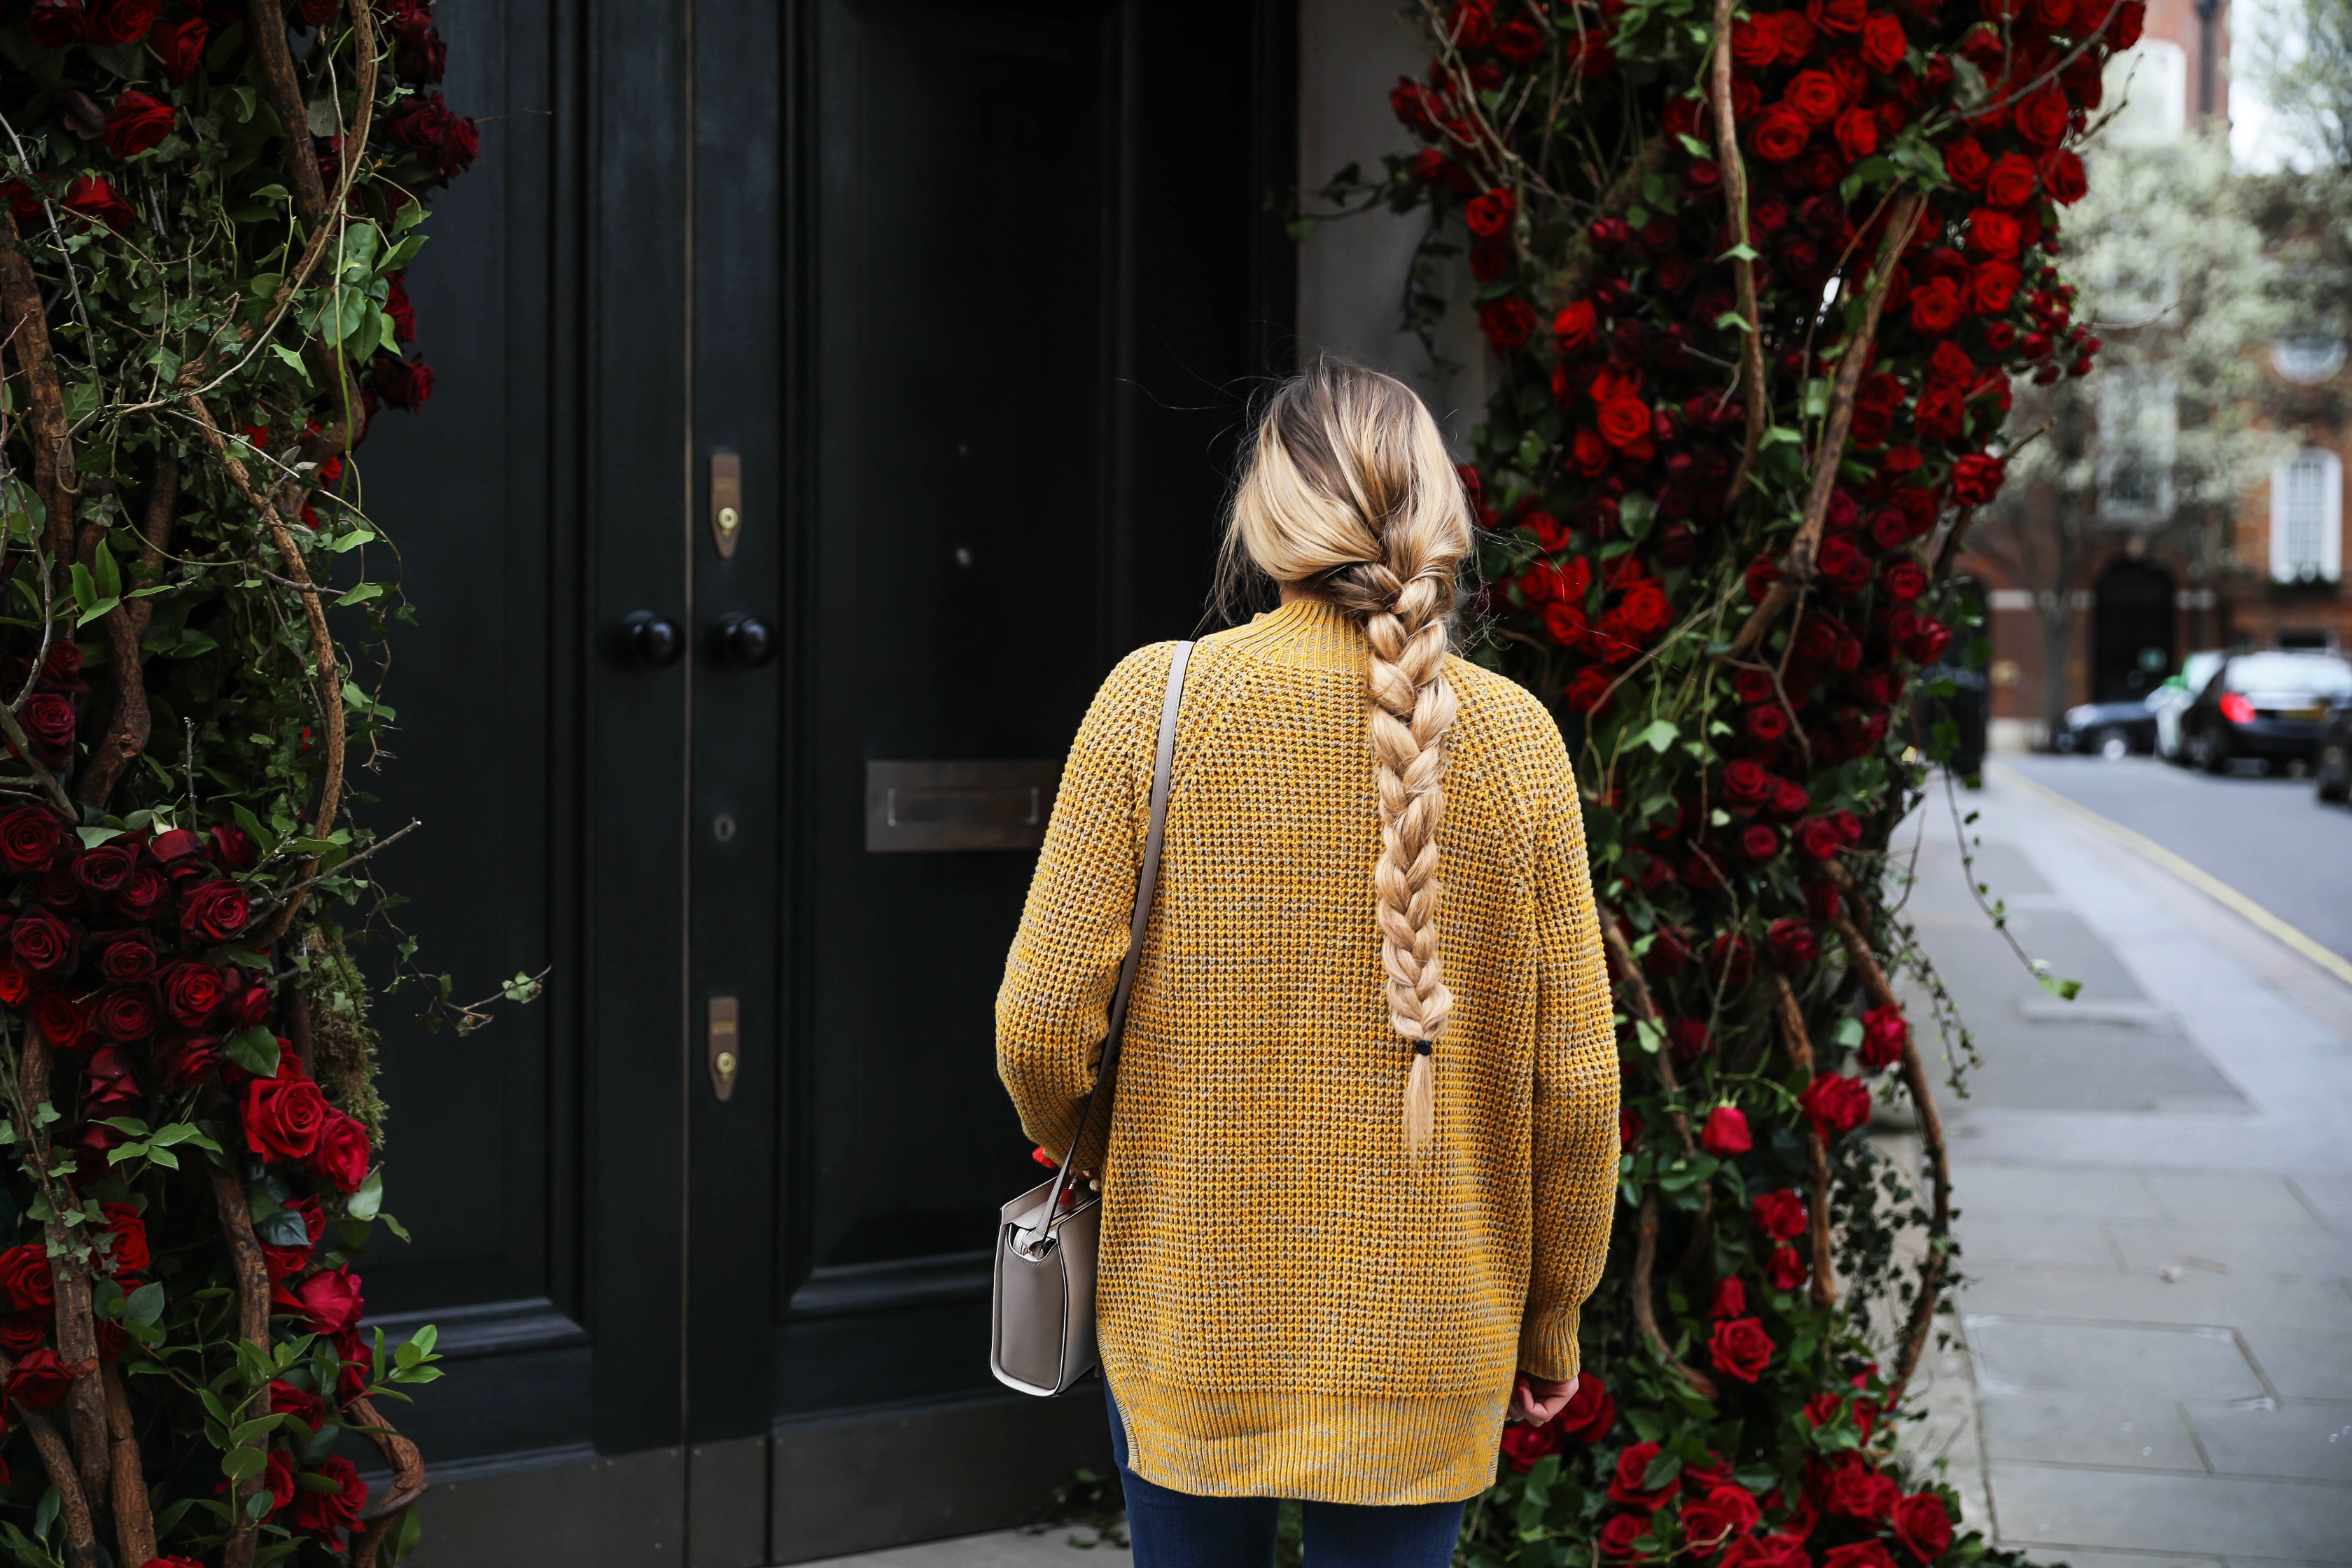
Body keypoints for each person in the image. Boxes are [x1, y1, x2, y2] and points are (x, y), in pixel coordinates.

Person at [996, 360, 1618, 1567]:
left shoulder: (1155, 704)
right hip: (1435, 1328)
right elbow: (1578, 1087)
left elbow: (1038, 1023)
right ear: (1441, 513)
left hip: (1191, 1304)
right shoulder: (1519, 741)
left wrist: (1083, 1133)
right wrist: (1552, 1325)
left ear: (1265, 517)